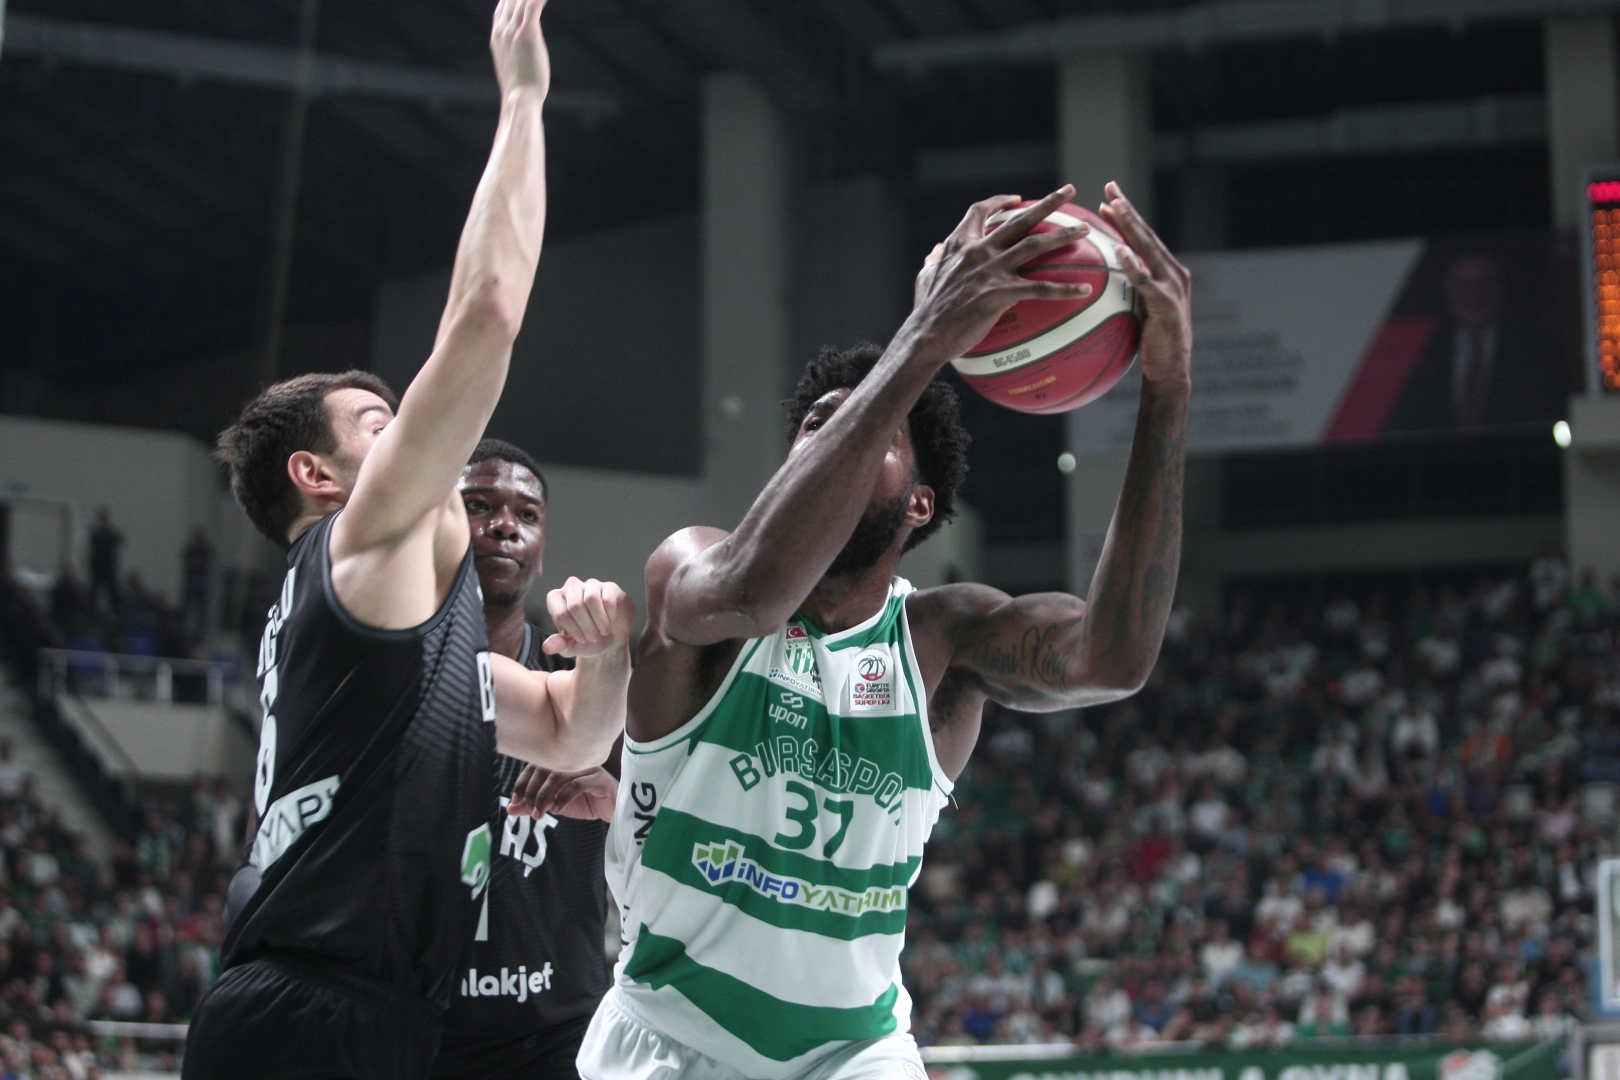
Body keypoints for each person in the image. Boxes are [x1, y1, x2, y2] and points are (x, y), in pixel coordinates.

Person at [581, 182, 1190, 1080]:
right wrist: (926, 337)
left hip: (855, 1052)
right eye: (817, 428)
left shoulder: (944, 640)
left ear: (920, 504)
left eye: (874, 433)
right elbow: (756, 594)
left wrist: (1167, 389)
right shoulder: (696, 569)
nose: (838, 435)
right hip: (671, 1035)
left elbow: (1113, 657)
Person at [183, 4, 633, 1078]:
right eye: (382, 427)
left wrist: (609, 653)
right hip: (314, 1013)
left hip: (363, 1013)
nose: (417, 446)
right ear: (319, 476)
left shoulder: (384, 636)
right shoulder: (360, 546)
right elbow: (486, 311)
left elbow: (569, 732)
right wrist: (523, 97)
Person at [434, 438, 619, 1080]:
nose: (505, 525)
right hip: (414, 1026)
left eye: (527, 514)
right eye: (478, 505)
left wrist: (617, 797)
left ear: (541, 548)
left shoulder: (590, 683)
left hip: (556, 1036)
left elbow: (667, 834)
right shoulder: (391, 671)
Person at [1383, 250, 1574, 432]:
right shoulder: (1423, 350)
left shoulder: (1536, 350)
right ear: (1445, 288)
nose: (1475, 295)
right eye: (1464, 284)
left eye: (1486, 282)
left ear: (1503, 287)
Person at [181, 528, 213, 644]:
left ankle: (199, 634)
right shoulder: (191, 549)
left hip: (201, 579)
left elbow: (207, 563)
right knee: (189, 608)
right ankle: (186, 632)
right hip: (192, 579)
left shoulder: (205, 549)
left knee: (201, 610)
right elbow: (189, 563)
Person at [87, 507, 122, 614]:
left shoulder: (111, 533)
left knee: (111, 591)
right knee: (96, 591)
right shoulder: (96, 533)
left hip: (108, 567)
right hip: (99, 567)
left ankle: (114, 611)